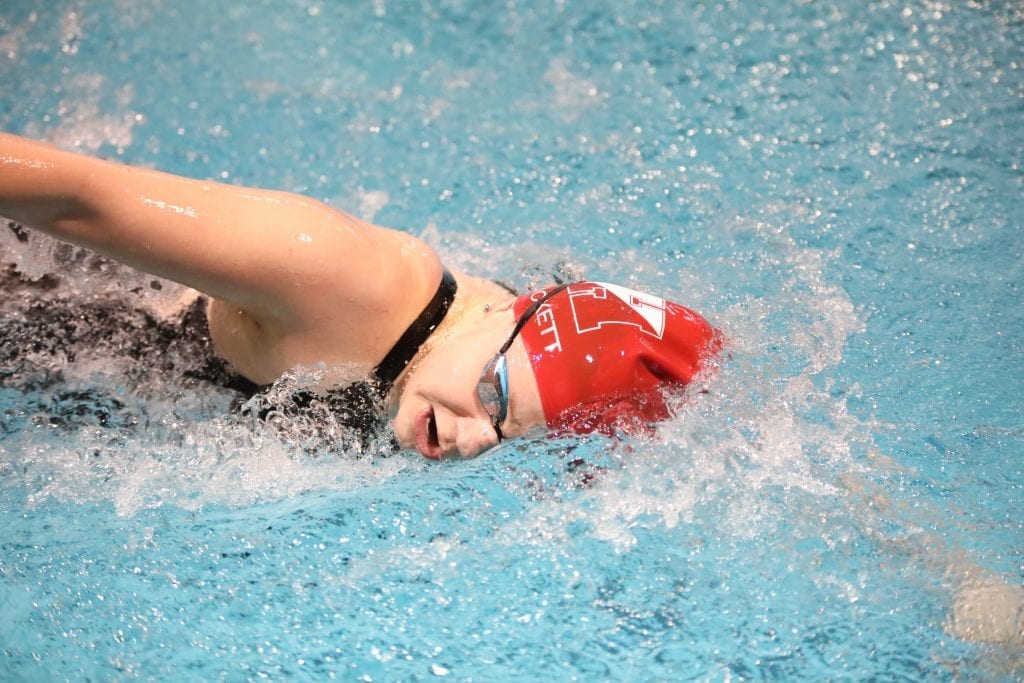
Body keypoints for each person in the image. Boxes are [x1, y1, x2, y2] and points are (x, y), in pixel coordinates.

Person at [0, 132, 721, 459]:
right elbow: (76, 198)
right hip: (45, 304)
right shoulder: (337, 275)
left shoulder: (483, 357)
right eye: (495, 403)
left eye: (510, 440)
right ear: (507, 312)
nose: (474, 440)